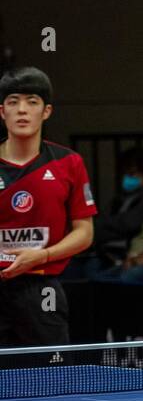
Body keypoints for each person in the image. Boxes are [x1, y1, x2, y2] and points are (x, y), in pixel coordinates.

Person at [0, 67, 95, 345]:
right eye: (13, 101)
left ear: (46, 111)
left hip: (41, 290)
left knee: (52, 380)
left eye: (32, 102)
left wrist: (42, 256)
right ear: (2, 111)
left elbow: (84, 232)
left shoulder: (69, 163)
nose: (22, 110)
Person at [71, 147, 143, 276]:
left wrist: (107, 225)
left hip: (126, 251)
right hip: (103, 250)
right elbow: (100, 223)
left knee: (93, 271)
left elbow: (131, 223)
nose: (128, 178)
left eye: (133, 173)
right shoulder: (120, 197)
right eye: (125, 173)